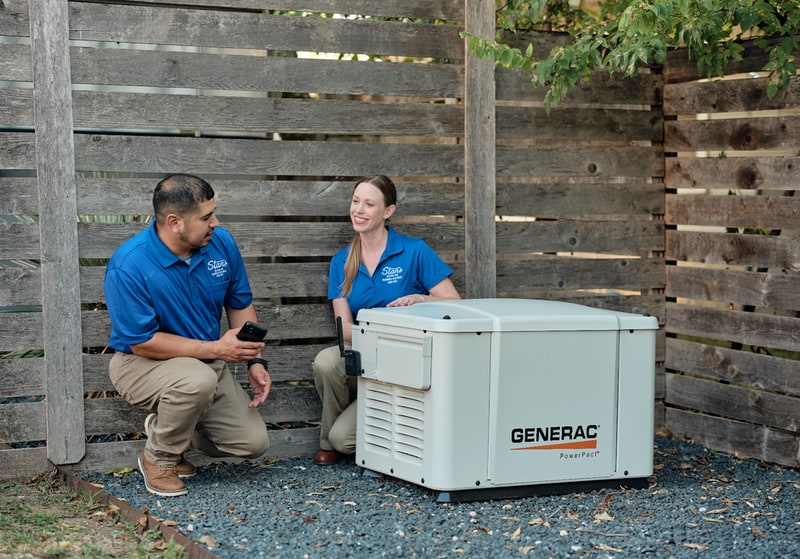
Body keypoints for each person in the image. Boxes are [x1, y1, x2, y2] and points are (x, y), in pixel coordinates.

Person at [104, 174, 271, 497]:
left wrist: (256, 361)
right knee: (197, 381)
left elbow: (240, 305)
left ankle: (169, 429)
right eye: (206, 217)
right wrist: (216, 349)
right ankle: (159, 459)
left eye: (214, 213)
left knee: (253, 443)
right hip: (140, 363)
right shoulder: (129, 264)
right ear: (174, 222)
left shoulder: (222, 244)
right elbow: (142, 341)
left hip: (207, 362)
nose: (216, 222)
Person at [312, 175, 461, 465]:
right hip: (366, 357)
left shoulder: (414, 250)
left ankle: (389, 427)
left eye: (369, 204)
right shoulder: (341, 261)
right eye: (356, 202)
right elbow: (344, 329)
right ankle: (328, 439)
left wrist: (421, 299)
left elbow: (454, 303)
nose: (359, 210)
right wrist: (378, 344)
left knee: (346, 440)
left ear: (388, 211)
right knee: (327, 362)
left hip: (407, 362)